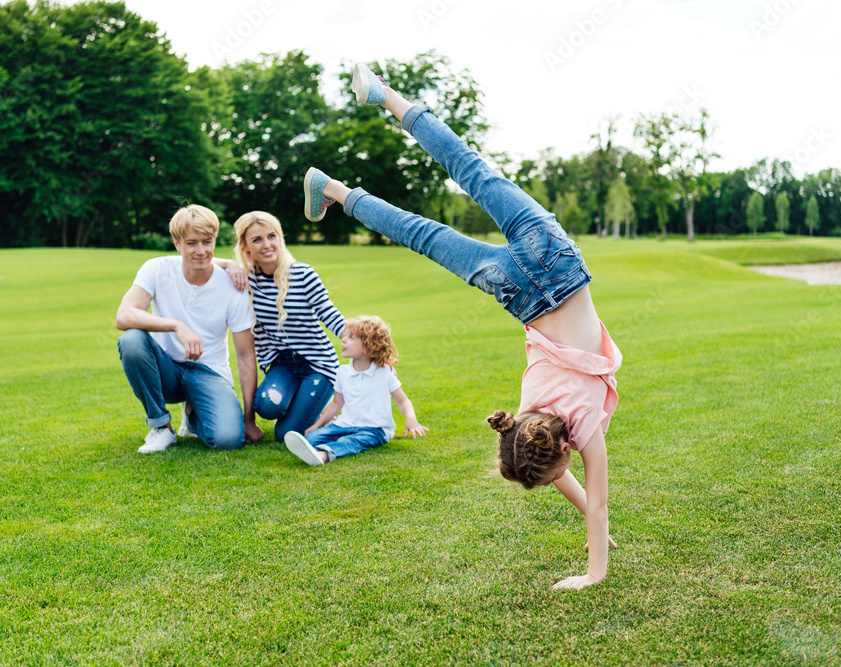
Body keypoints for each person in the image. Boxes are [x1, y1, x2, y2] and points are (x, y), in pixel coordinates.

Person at [301, 64, 622, 590]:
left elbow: (588, 492)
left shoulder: (569, 429)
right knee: (435, 215)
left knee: (457, 189)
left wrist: (594, 554)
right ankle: (342, 174)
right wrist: (592, 550)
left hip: (556, 264)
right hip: (518, 288)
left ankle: (363, 132)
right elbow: (570, 480)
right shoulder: (525, 418)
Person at [115, 204, 263, 454]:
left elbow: (246, 356)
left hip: (209, 372)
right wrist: (176, 326)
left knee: (227, 439)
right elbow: (124, 315)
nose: (201, 250)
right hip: (167, 370)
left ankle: (193, 414)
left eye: (207, 242)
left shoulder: (234, 285)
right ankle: (162, 427)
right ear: (177, 243)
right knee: (131, 340)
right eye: (192, 243)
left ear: (215, 240)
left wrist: (249, 418)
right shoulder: (157, 268)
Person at [232, 211, 347, 442]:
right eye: (257, 240)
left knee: (285, 435)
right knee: (266, 406)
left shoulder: (304, 274)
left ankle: (327, 417)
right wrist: (228, 264)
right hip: (282, 364)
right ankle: (304, 407)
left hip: (317, 364)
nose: (267, 245)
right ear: (245, 246)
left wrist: (371, 350)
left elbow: (330, 314)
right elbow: (199, 260)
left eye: (271, 236)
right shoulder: (246, 280)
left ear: (279, 237)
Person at [282, 315, 427, 466]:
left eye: (351, 337)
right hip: (344, 425)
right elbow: (336, 404)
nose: (343, 340)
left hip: (374, 429)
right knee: (312, 438)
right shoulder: (342, 372)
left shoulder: (384, 373)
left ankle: (323, 455)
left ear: (369, 348)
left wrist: (411, 418)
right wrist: (316, 426)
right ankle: (314, 447)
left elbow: (403, 400)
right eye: (345, 335)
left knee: (351, 441)